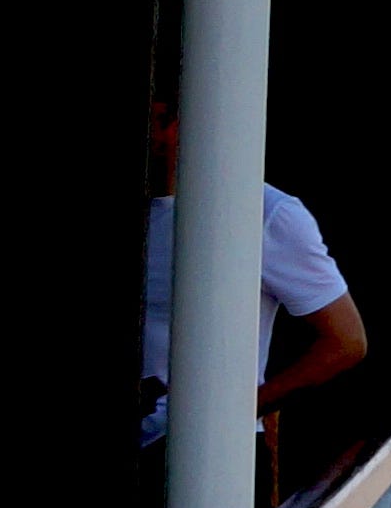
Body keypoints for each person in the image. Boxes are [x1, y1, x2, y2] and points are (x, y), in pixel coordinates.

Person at [139, 108, 369, 450]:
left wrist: (228, 416)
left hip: (203, 452)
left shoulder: (262, 211)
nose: (153, 135)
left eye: (161, 121)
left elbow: (345, 341)